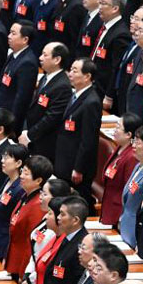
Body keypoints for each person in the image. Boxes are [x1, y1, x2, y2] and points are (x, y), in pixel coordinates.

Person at [54, 58, 102, 201]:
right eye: (70, 70)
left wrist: (79, 168)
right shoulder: (76, 94)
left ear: (87, 76)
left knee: (76, 202)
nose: (70, 74)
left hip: (76, 167)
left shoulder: (91, 102)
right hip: (65, 160)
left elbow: (89, 139)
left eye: (75, 71)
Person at [19, 42, 72, 164]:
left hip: (45, 143)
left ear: (57, 59)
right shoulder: (45, 77)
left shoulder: (62, 86)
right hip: (33, 137)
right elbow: (33, 108)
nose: (40, 58)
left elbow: (51, 118)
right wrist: (26, 131)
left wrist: (29, 135)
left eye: (45, 55)